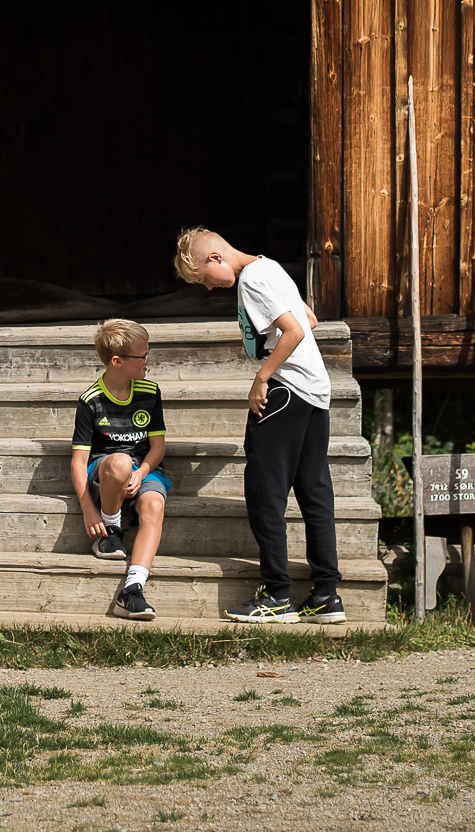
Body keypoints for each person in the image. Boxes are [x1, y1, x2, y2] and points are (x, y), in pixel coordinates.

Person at [175, 227, 343, 623]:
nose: (208, 287)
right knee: (315, 495)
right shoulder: (272, 268)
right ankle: (326, 595)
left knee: (265, 496)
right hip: (314, 392)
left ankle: (277, 595)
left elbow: (296, 330)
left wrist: (262, 377)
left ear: (215, 257)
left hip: (285, 394)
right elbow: (311, 318)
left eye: (202, 277)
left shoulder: (252, 280)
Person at [71, 317, 170, 620]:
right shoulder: (91, 401)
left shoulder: (149, 393)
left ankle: (133, 589)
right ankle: (110, 529)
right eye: (142, 355)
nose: (147, 360)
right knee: (120, 461)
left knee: (153, 504)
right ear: (117, 361)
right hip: (107, 475)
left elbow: (158, 446)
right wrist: (88, 508)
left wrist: (141, 474)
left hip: (142, 471)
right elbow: (77, 461)